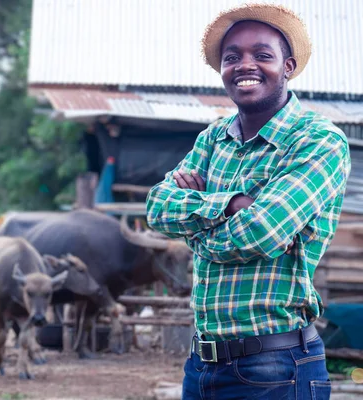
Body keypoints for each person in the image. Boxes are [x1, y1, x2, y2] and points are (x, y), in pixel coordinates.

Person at [146, 4, 351, 399]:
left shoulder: (318, 141)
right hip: (201, 365)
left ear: (288, 66)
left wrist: (196, 232)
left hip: (276, 366)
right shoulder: (212, 138)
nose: (245, 65)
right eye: (232, 56)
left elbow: (260, 232)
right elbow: (157, 207)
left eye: (262, 55)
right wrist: (232, 204)